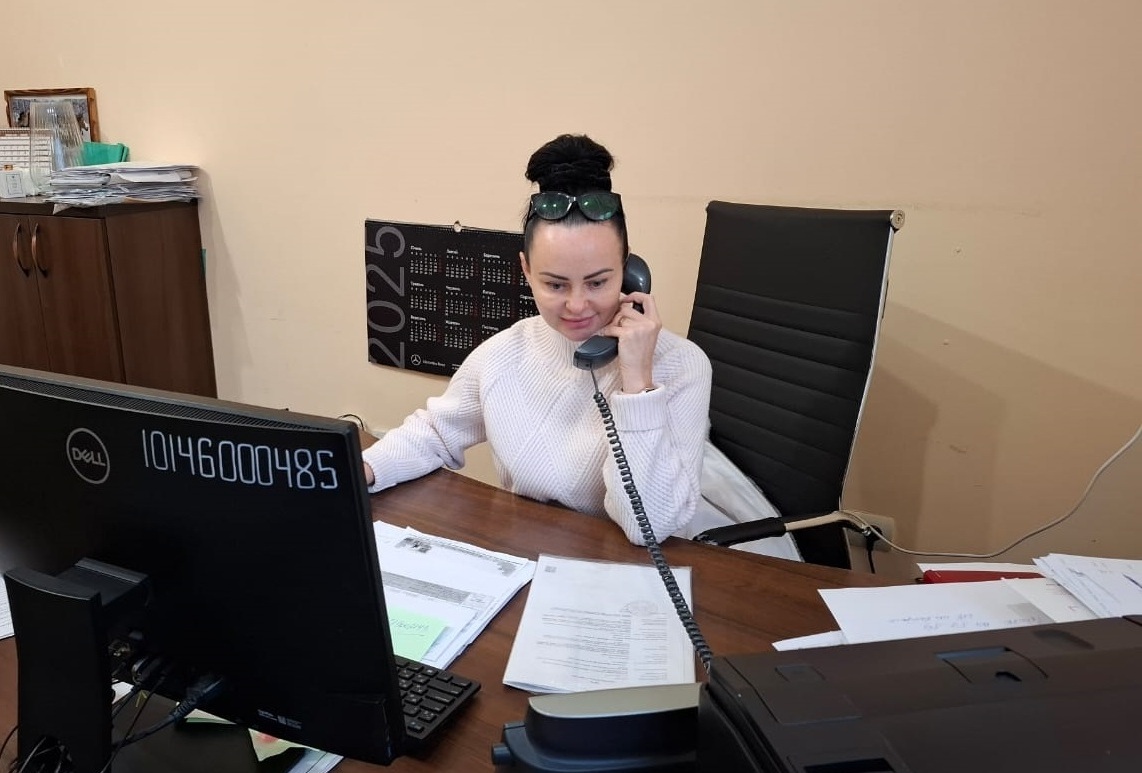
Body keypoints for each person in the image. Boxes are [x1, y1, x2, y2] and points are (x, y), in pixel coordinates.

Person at [362, 134, 712, 544]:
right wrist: (362, 470)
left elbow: (649, 527)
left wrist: (637, 383)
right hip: (527, 552)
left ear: (628, 268)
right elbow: (436, 433)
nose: (577, 305)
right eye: (555, 284)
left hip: (623, 566)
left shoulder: (682, 365)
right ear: (526, 270)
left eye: (598, 282)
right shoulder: (505, 352)